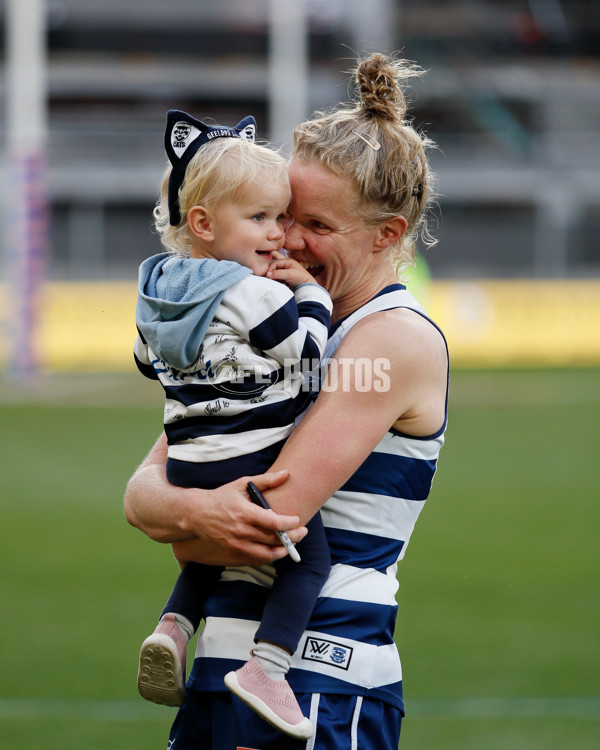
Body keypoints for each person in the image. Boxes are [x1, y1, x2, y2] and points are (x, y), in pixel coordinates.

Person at [124, 52, 449, 750]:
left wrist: (180, 510)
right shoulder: (266, 314)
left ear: (387, 236)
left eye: (318, 228)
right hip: (223, 670)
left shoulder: (389, 340)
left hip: (316, 682)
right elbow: (149, 490)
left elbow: (245, 524)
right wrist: (184, 508)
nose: (286, 242)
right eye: (280, 217)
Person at [133, 109, 333, 740]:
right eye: (261, 219)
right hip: (248, 454)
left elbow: (145, 361)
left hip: (187, 459)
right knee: (306, 560)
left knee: (211, 554)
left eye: (282, 217)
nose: (278, 235)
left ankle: (172, 626)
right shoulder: (257, 292)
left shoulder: (157, 286)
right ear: (202, 223)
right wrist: (312, 297)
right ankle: (268, 669)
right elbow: (306, 363)